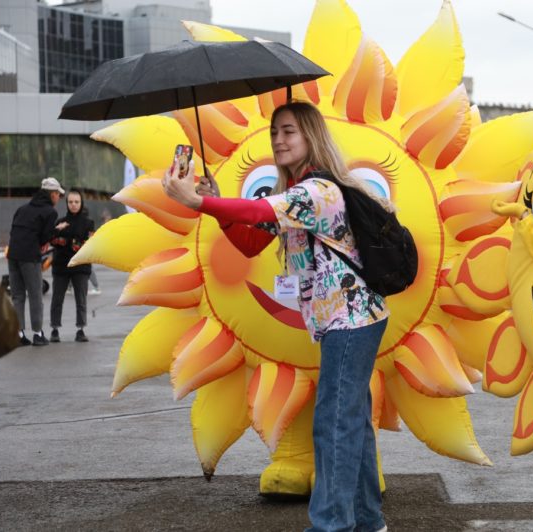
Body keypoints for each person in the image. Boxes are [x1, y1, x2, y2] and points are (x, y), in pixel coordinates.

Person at [163, 101, 390, 532]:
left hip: (352, 318)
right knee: (350, 419)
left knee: (333, 423)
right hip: (347, 320)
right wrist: (213, 201)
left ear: (311, 137)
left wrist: (198, 202)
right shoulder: (296, 194)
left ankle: (332, 525)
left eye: (289, 131)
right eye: (275, 133)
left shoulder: (316, 193)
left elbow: (258, 212)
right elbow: (251, 241)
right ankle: (367, 521)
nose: (279, 140)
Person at [7, 177, 64, 346]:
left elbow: (14, 231)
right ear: (52, 194)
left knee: (17, 295)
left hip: (13, 254)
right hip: (30, 257)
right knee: (35, 295)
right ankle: (38, 334)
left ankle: (18, 334)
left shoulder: (22, 209)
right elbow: (46, 236)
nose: (59, 198)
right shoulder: (50, 212)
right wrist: (57, 230)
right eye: (58, 195)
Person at [49, 190, 95, 343]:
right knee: (57, 299)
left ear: (81, 203)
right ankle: (54, 329)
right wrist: (67, 240)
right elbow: (52, 239)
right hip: (61, 266)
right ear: (67, 203)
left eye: (77, 202)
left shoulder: (88, 223)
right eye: (71, 202)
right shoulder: (60, 222)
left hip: (81, 266)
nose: (74, 205)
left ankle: (80, 329)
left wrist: (69, 242)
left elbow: (91, 243)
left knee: (80, 299)